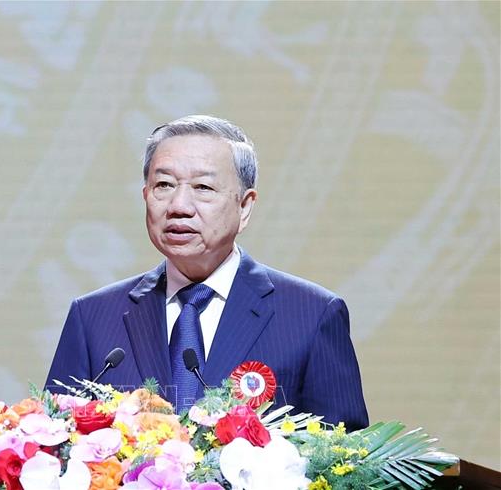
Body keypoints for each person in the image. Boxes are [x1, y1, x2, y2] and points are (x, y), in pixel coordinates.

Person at [45, 115, 369, 430]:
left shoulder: (311, 315)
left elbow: (349, 456)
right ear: (145, 196)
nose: (179, 206)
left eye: (203, 187)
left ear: (245, 206)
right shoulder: (93, 317)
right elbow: (52, 444)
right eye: (163, 185)